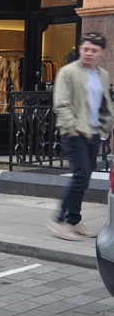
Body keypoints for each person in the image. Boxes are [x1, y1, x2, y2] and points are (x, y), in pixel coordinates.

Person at [49, 32, 114, 240]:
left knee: (84, 178)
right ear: (80, 49)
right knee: (80, 176)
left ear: (101, 53)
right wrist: (72, 128)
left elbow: (104, 103)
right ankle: (58, 220)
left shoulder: (102, 74)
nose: (88, 53)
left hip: (93, 133)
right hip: (74, 133)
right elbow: (61, 102)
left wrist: (104, 128)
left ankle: (73, 221)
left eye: (94, 50)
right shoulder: (68, 72)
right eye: (85, 49)